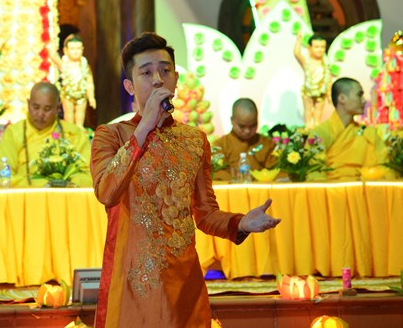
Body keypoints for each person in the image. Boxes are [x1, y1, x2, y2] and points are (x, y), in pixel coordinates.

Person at [90, 32, 281, 327]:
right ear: (130, 86)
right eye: (146, 73)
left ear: (176, 79)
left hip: (185, 281)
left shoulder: (194, 140)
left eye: (165, 70)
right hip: (135, 282)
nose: (158, 80)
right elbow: (106, 192)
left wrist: (241, 223)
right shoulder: (111, 135)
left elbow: (205, 214)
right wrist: (144, 127)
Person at [0, 81, 92, 187]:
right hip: (24, 195)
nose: (40, 114)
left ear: (57, 108)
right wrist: (40, 185)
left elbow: (90, 174)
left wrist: (65, 184)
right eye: (36, 107)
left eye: (47, 109)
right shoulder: (14, 132)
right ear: (28, 104)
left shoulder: (73, 133)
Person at [312, 77, 387, 181]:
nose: (364, 100)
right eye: (359, 95)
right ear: (342, 98)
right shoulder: (321, 133)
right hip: (331, 189)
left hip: (365, 188)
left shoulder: (368, 134)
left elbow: (384, 166)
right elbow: (314, 171)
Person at [213, 98, 277, 181]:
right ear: (232, 120)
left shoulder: (267, 144)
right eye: (242, 126)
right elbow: (218, 173)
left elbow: (277, 172)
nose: (247, 131)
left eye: (253, 125)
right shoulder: (220, 145)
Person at [48, 34, 96, 127]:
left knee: (80, 117)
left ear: (82, 49)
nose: (75, 51)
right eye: (72, 49)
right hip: (67, 95)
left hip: (82, 96)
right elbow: (53, 56)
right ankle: (69, 132)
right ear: (65, 50)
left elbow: (90, 83)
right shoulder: (64, 64)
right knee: (69, 116)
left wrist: (91, 97)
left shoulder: (85, 65)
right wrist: (52, 40)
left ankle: (79, 131)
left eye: (78, 48)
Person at [294, 33, 331, 129]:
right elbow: (297, 53)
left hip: (321, 92)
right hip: (308, 92)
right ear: (309, 48)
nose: (320, 50)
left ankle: (317, 127)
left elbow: (328, 79)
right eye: (316, 47)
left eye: (322, 47)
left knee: (318, 112)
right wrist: (298, 40)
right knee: (308, 110)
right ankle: (308, 127)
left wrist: (329, 93)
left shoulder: (325, 63)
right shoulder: (306, 62)